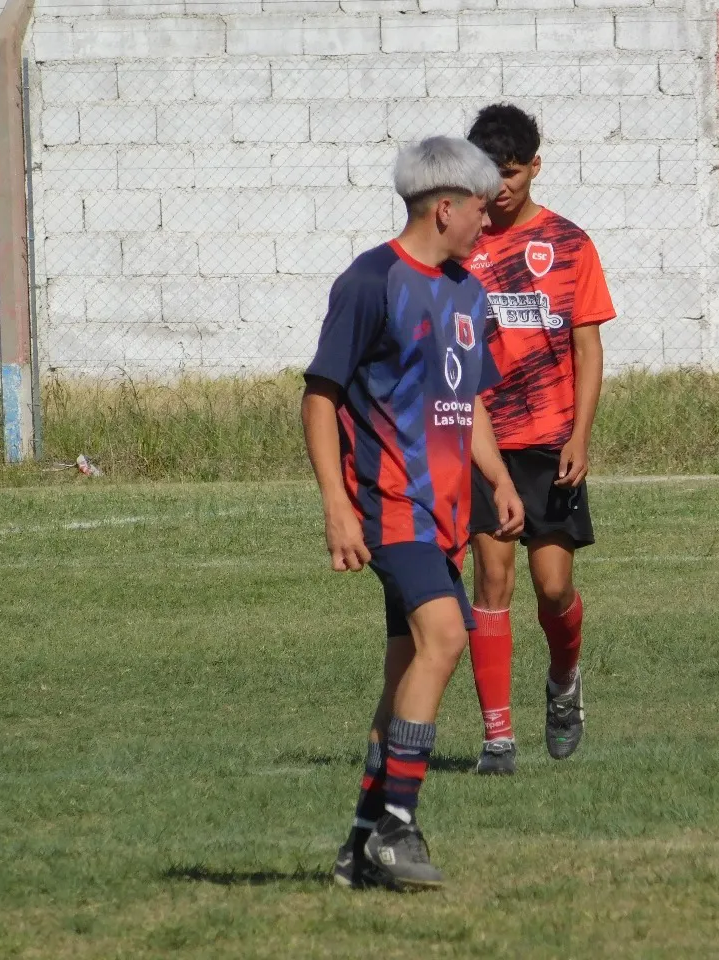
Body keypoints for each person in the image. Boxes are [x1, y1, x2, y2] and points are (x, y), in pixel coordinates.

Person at [302, 136, 525, 890]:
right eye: (480, 214)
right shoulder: (371, 282)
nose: (488, 227)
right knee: (445, 638)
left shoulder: (467, 291)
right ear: (444, 208)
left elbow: (468, 398)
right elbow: (320, 395)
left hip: (448, 516)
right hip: (391, 507)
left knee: (406, 671)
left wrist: (496, 478)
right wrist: (337, 503)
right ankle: (399, 826)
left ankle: (360, 844)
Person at [462, 103, 617, 775]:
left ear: (535, 168)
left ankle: (563, 681)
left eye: (513, 173)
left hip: (552, 441)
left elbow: (588, 347)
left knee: (552, 587)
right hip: (483, 439)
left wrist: (581, 435)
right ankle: (497, 739)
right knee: (492, 578)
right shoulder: (456, 245)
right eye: (489, 173)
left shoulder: (570, 244)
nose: (500, 187)